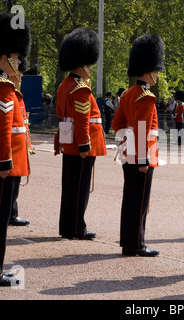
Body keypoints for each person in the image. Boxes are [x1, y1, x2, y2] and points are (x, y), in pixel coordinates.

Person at [112, 33, 164, 257]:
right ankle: (136, 243)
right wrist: (142, 158)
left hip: (128, 153)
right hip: (142, 156)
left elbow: (117, 124)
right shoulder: (145, 96)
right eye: (156, 70)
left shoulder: (127, 94)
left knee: (131, 199)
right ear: (149, 71)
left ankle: (128, 241)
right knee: (139, 201)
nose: (158, 74)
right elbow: (143, 129)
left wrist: (128, 146)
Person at [0, 11, 30, 287]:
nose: (19, 63)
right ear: (5, 58)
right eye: (16, 58)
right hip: (2, 166)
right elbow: (3, 130)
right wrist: (5, 163)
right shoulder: (2, 88)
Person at [55, 28, 107, 240]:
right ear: (81, 64)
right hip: (82, 144)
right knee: (79, 188)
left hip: (69, 142)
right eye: (88, 64)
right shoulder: (80, 89)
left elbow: (62, 115)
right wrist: (85, 144)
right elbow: (82, 120)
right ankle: (77, 227)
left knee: (69, 186)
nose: (90, 69)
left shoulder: (64, 86)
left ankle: (67, 226)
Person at [9, 56, 33, 227]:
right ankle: (10, 213)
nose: (22, 75)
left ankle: (12, 212)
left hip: (18, 145)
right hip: (10, 145)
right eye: (20, 72)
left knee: (15, 183)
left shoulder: (17, 95)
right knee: (9, 183)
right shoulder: (8, 93)